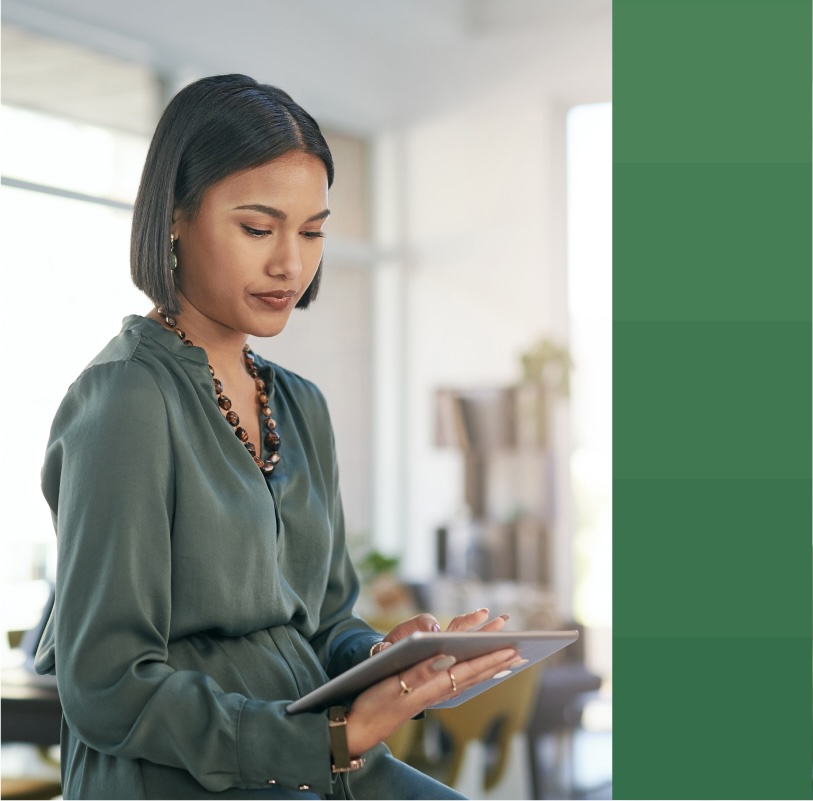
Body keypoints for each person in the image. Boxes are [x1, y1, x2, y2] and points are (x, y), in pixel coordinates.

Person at [34, 74, 520, 800]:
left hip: (319, 759)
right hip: (183, 775)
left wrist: (388, 660)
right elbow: (106, 684)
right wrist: (326, 737)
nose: (290, 262)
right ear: (174, 217)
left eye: (313, 230)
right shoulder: (125, 400)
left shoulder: (299, 405)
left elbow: (325, 622)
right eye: (258, 228)